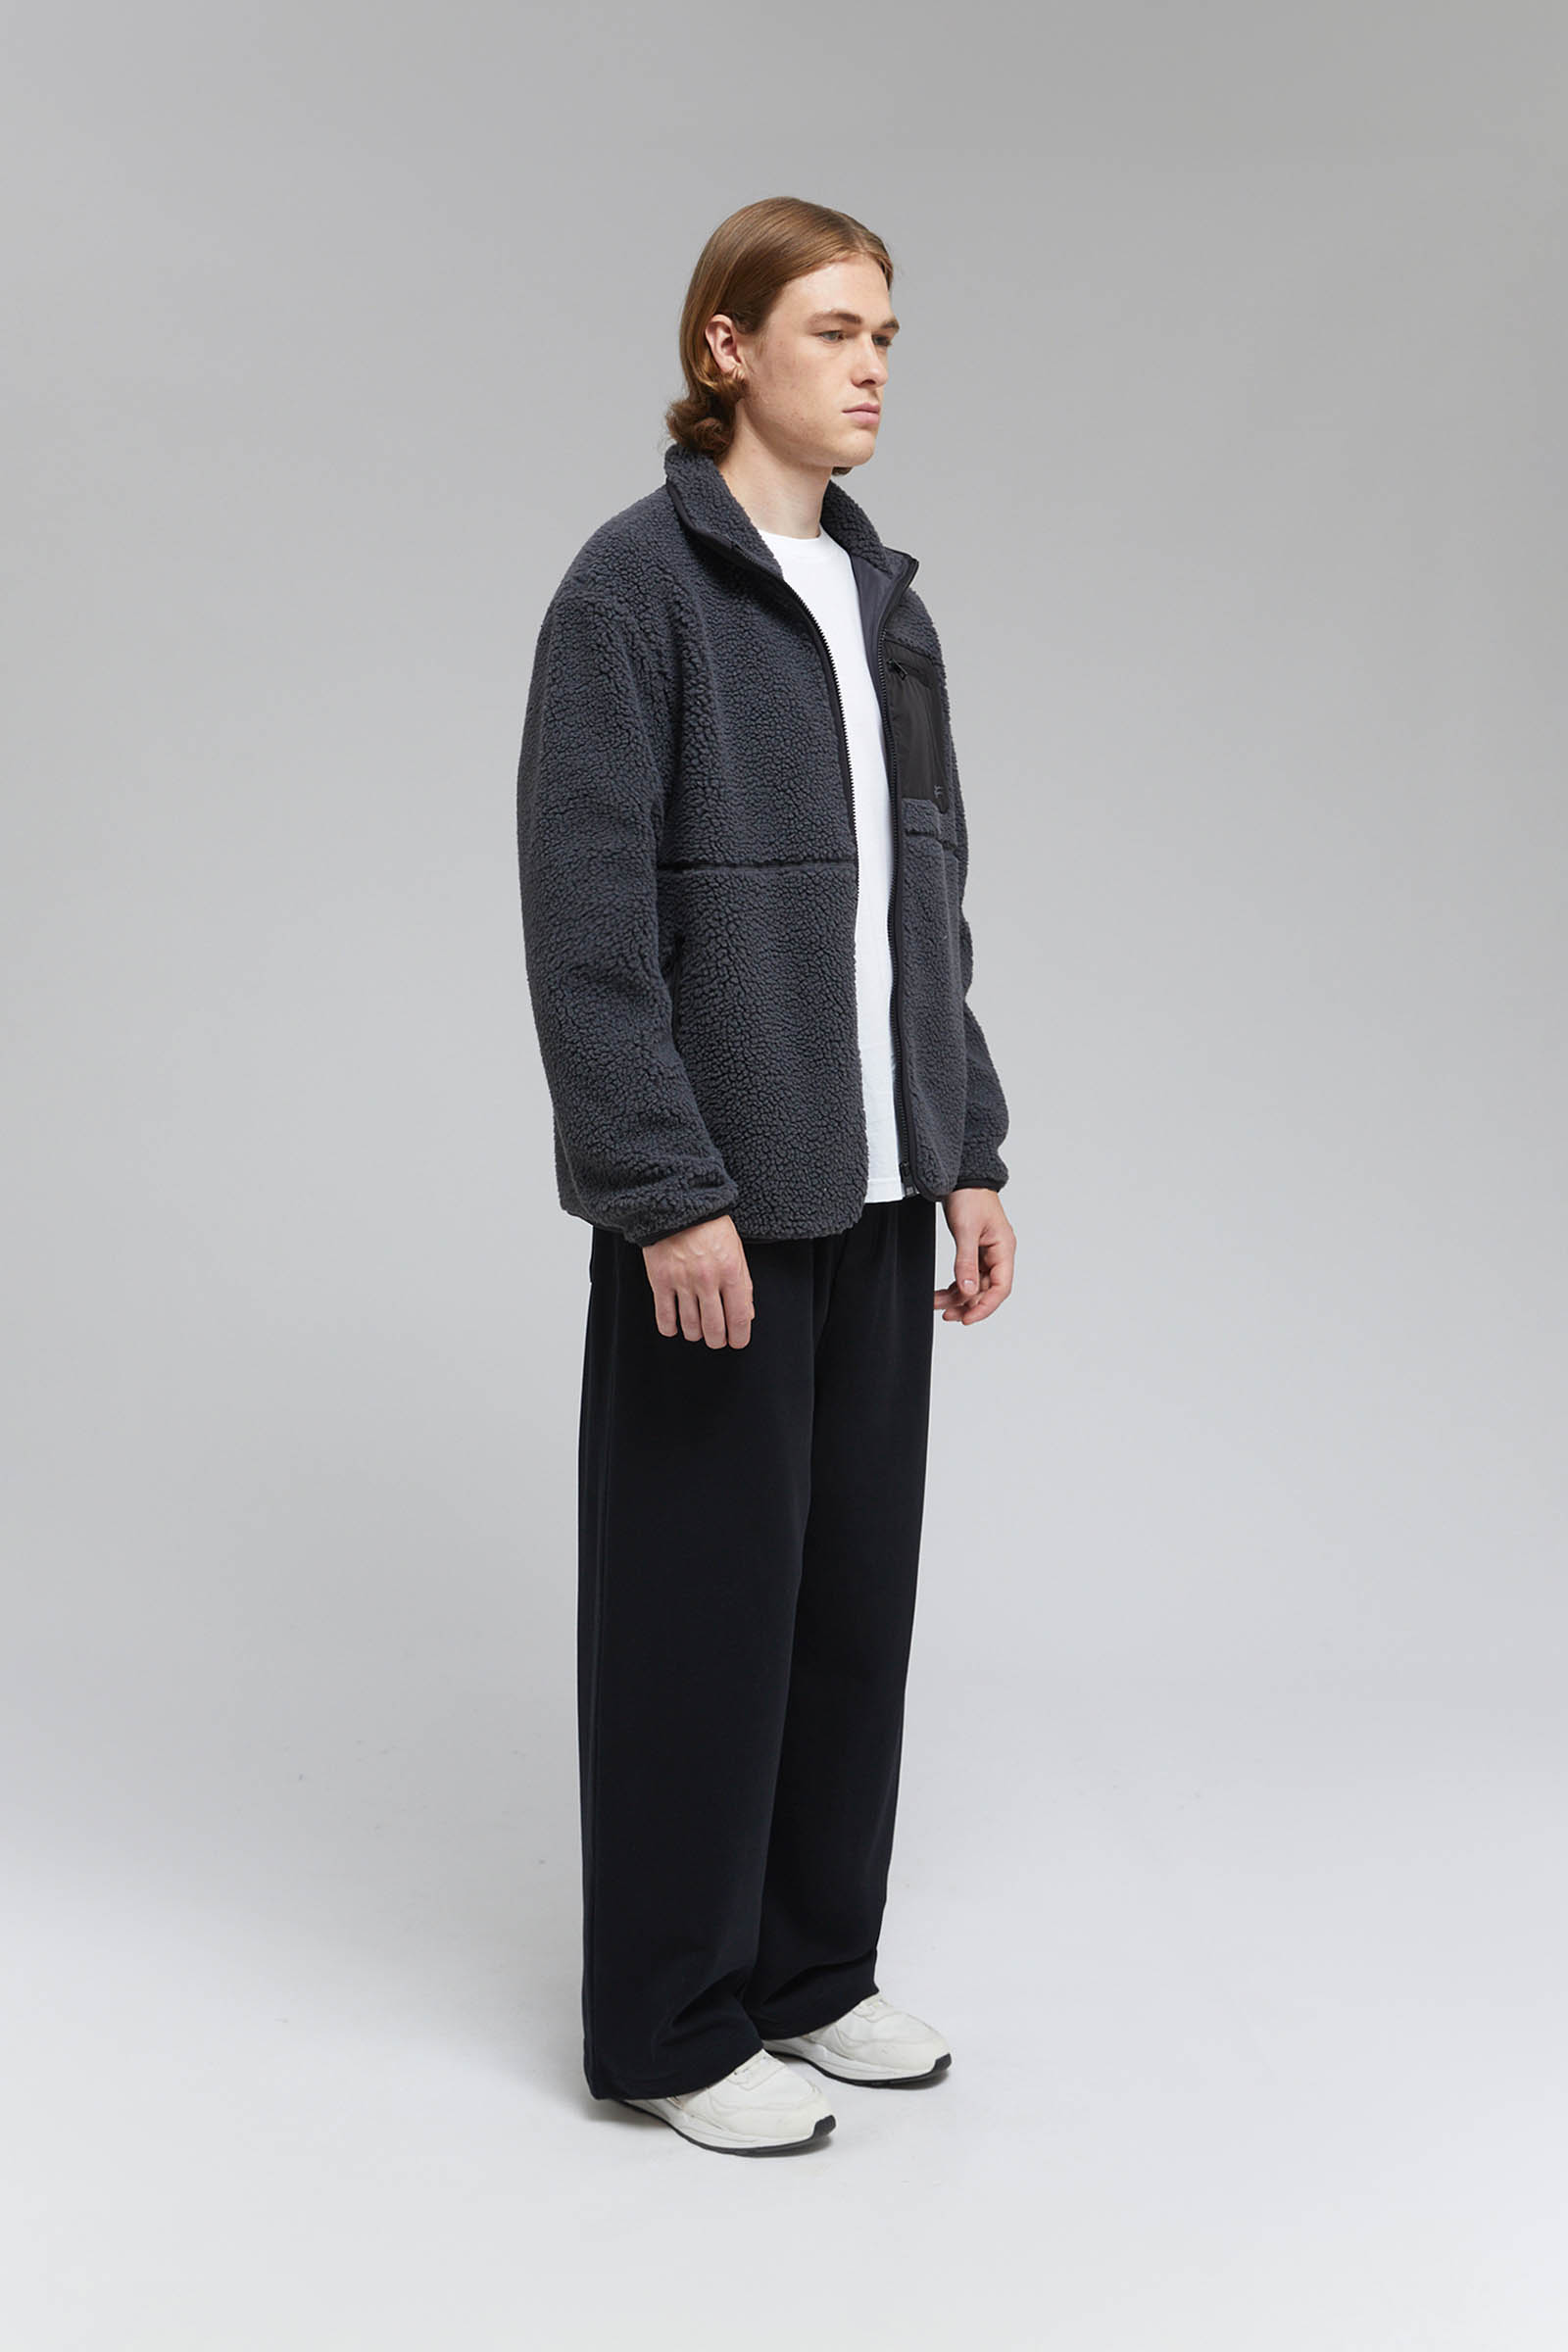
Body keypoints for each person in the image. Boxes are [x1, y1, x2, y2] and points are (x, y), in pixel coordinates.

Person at [514, 195, 1016, 2156]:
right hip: (721, 1198)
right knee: (697, 1617)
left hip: (881, 1187)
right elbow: (583, 926)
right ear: (724, 348)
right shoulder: (631, 590)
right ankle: (666, 2022)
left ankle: (808, 1975)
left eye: (885, 332)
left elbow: (924, 912)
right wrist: (661, 1187)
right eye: (830, 329)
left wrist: (967, 1148)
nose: (871, 365)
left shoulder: (887, 606)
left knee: (845, 1606)